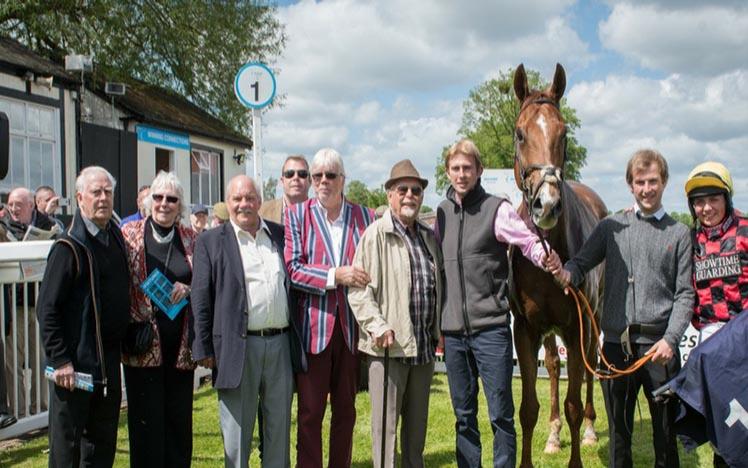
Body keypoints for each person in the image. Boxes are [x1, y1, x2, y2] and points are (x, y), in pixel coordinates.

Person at [553, 149, 694, 468]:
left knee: (665, 436)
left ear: (664, 182)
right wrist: (565, 273)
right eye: (640, 182)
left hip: (659, 351)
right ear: (630, 184)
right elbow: (580, 263)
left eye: (653, 181)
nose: (647, 188)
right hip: (616, 349)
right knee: (618, 438)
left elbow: (685, 294)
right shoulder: (609, 227)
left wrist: (671, 340)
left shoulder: (680, 234)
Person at [436, 139, 559, 467]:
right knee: (463, 416)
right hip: (454, 334)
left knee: (501, 415)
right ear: (448, 172)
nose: (462, 174)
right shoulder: (442, 214)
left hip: (490, 330)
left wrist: (545, 258)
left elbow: (527, 240)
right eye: (456, 168)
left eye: (468, 168)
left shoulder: (497, 209)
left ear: (479, 171)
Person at [192, 175, 305, 468]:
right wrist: (203, 346)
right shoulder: (210, 241)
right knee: (237, 435)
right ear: (228, 203)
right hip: (236, 348)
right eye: (237, 199)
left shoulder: (280, 235)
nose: (244, 204)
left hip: (280, 344)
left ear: (260, 201)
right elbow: (201, 296)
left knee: (279, 428)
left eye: (250, 198)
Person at [348, 159, 443, 468]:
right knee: (386, 433)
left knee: (416, 436)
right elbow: (359, 291)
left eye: (416, 190)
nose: (409, 195)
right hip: (389, 349)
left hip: (423, 350)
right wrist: (377, 325)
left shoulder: (429, 237)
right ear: (389, 194)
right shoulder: (374, 235)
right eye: (402, 189)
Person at [36, 166, 131, 467]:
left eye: (108, 192)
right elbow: (47, 308)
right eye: (96, 192)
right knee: (68, 449)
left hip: (106, 366)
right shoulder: (67, 248)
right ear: (80, 198)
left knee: (101, 447)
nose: (103, 198)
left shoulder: (114, 237)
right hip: (73, 370)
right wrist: (60, 359)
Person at [285, 148, 374, 468]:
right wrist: (336, 276)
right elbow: (293, 269)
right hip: (314, 328)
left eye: (330, 175)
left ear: (343, 180)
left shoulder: (364, 216)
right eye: (317, 175)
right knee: (310, 412)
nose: (323, 181)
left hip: (351, 328)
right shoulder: (297, 215)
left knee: (346, 410)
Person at [120, 171, 197, 468]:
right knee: (145, 427)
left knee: (178, 425)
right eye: (158, 197)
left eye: (171, 199)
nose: (164, 203)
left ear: (180, 205)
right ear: (149, 200)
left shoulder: (192, 239)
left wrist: (188, 288)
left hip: (180, 350)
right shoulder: (129, 235)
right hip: (142, 347)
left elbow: (205, 282)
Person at [684, 161, 746, 467]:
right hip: (712, 344)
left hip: (744, 341)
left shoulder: (746, 231)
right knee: (724, 425)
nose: (706, 208)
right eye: (699, 202)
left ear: (727, 198)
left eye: (713, 199)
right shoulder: (691, 241)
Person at [1, 187, 59, 419]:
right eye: (10, 204)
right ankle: (20, 411)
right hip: (15, 304)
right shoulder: (3, 227)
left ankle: (42, 408)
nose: (14, 209)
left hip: (41, 302)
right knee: (12, 359)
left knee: (42, 357)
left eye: (19, 204)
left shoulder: (48, 225)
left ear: (31, 206)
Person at [258, 154, 311, 224]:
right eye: (289, 174)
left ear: (310, 181)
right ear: (282, 181)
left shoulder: (323, 214)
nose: (296, 178)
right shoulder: (261, 211)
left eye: (302, 174)